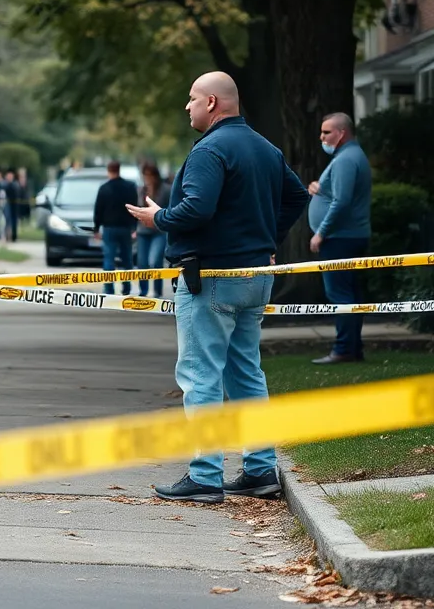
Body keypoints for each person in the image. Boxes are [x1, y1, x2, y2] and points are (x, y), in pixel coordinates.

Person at [127, 71, 309, 503]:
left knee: (200, 375)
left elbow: (197, 209)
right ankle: (261, 469)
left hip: (210, 278)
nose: (186, 106)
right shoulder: (265, 148)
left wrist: (158, 218)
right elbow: (298, 196)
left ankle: (205, 475)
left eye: (192, 98)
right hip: (255, 277)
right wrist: (268, 241)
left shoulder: (209, 150)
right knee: (247, 373)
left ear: (211, 103)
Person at [308, 112, 373, 365]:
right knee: (350, 295)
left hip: (339, 238)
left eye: (327, 132)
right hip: (348, 236)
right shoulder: (350, 156)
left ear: (342, 133)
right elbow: (337, 192)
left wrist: (321, 233)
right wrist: (318, 188)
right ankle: (353, 348)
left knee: (340, 295)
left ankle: (344, 349)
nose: (321, 137)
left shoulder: (346, 159)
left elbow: (342, 202)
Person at [93, 161, 138, 296]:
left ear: (108, 171)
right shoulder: (129, 187)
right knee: (127, 259)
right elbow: (134, 207)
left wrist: (96, 228)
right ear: (119, 170)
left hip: (109, 228)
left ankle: (109, 289)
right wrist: (134, 227)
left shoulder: (104, 188)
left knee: (109, 259)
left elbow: (98, 210)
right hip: (125, 228)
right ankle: (126, 287)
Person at [136, 162, 172, 298]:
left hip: (159, 230)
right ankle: (143, 291)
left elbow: (170, 208)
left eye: (150, 175)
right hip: (143, 231)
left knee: (155, 261)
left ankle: (157, 291)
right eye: (145, 176)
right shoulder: (142, 190)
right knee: (142, 262)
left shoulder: (165, 190)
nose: (147, 178)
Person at [4, 170, 23, 242]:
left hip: (14, 206)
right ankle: (8, 236)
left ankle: (13, 236)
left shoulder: (15, 185)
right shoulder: (6, 185)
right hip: (8, 205)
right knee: (8, 221)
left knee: (13, 222)